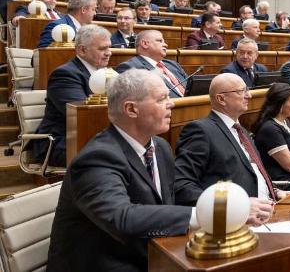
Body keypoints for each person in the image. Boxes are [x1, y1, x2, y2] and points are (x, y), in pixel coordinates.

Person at [47, 70, 199, 271]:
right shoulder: (96, 158)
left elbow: (169, 198)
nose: (171, 104)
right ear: (131, 109)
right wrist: (204, 215)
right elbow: (122, 217)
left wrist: (226, 205)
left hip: (147, 254)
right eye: (162, 99)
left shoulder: (160, 147)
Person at [174, 73, 289, 206]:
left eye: (247, 90)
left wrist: (275, 191)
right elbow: (182, 185)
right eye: (241, 91)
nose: (249, 95)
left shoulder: (241, 131)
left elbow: (252, 173)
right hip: (235, 219)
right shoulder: (200, 131)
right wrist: (235, 206)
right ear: (221, 99)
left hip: (269, 206)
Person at [32, 25, 112, 167]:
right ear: (82, 50)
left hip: (92, 136)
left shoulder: (105, 73)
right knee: (114, 154)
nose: (109, 53)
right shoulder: (65, 74)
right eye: (102, 49)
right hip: (61, 142)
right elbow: (83, 116)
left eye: (109, 47)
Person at [115, 30, 188, 98]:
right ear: (145, 44)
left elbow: (190, 86)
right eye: (160, 41)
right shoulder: (130, 67)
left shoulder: (173, 64)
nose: (166, 45)